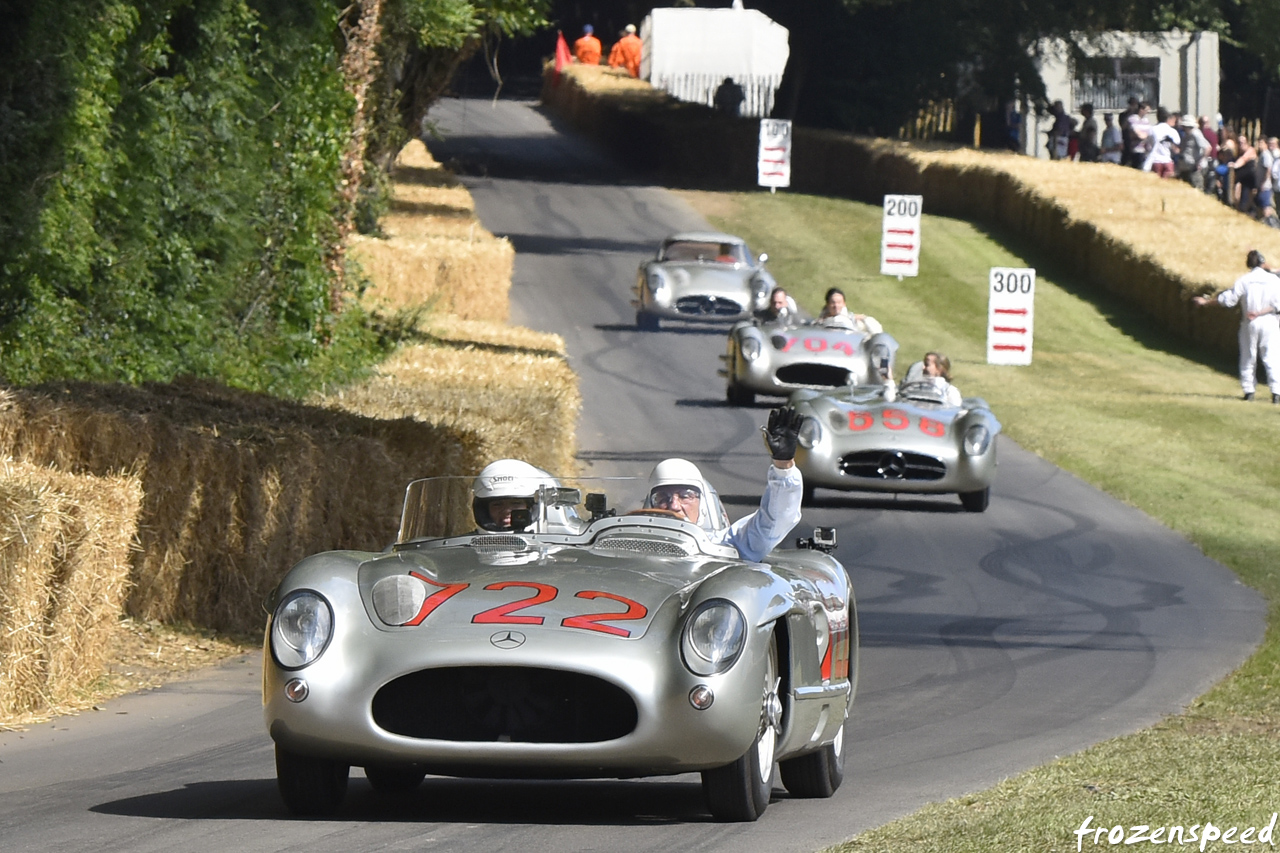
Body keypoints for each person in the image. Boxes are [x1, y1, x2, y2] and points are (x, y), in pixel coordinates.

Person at [643, 407, 804, 562]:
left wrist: (783, 465)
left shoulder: (723, 546)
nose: (674, 505)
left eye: (685, 496)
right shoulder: (629, 545)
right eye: (663, 498)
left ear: (703, 505)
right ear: (650, 506)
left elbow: (774, 522)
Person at [1192, 250, 1280, 402]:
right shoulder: (1274, 280)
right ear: (1262, 262)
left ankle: (1249, 391)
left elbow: (1228, 300)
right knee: (1271, 357)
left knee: (1248, 356)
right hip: (1270, 321)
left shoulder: (1244, 280)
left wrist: (1207, 302)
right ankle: (1277, 392)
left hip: (1249, 321)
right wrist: (1261, 312)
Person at [472, 459, 561, 532]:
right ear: (484, 510)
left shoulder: (549, 548)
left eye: (516, 503)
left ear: (530, 507)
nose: (506, 510)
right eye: (497, 504)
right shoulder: (465, 548)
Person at [818, 287, 883, 334]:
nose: (836, 306)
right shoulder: (821, 321)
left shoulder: (853, 320)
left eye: (839, 302)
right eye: (833, 303)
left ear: (844, 304)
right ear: (827, 304)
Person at [1142, 108, 1180, 178]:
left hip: (1155, 160)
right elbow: (1177, 148)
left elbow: (1146, 144)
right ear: (1168, 118)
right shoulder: (1173, 131)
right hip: (1168, 161)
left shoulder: (1152, 129)